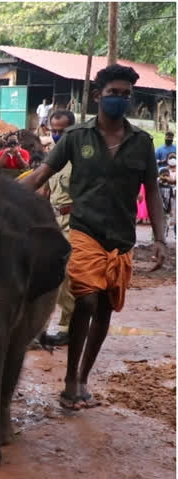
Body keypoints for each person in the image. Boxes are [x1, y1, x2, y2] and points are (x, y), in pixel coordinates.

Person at [22, 64, 166, 410]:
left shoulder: (142, 143)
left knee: (105, 308)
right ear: (98, 95)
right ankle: (70, 378)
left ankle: (83, 378)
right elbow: (41, 173)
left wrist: (160, 238)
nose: (120, 99)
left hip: (121, 237)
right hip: (84, 231)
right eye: (114, 92)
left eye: (126, 94)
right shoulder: (75, 138)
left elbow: (152, 191)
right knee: (86, 298)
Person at [36, 110, 77, 348]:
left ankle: (67, 327)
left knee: (67, 278)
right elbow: (44, 191)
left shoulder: (80, 160)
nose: (58, 135)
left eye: (63, 131)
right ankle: (38, 329)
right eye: (54, 131)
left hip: (75, 224)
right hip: (53, 224)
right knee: (45, 276)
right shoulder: (51, 158)